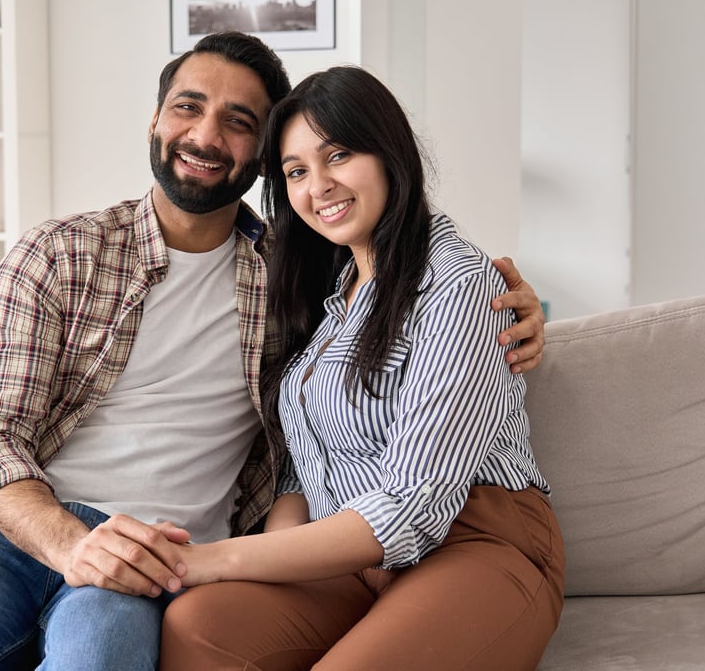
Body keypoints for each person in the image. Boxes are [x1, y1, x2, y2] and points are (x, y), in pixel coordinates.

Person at [0, 35, 547, 671]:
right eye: (188, 107)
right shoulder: (60, 252)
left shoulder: (292, 272)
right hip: (14, 534)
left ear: (255, 157)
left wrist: (521, 306)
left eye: (239, 123)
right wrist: (74, 546)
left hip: (167, 548)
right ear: (156, 120)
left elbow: (426, 282)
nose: (205, 135)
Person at [158, 65, 565, 670]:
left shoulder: (461, 284)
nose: (318, 185)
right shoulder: (330, 288)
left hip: (474, 541)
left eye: (338, 155)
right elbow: (301, 473)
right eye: (296, 171)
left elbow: (412, 501)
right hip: (350, 558)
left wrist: (216, 560)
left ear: (389, 152)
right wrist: (271, 570)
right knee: (197, 626)